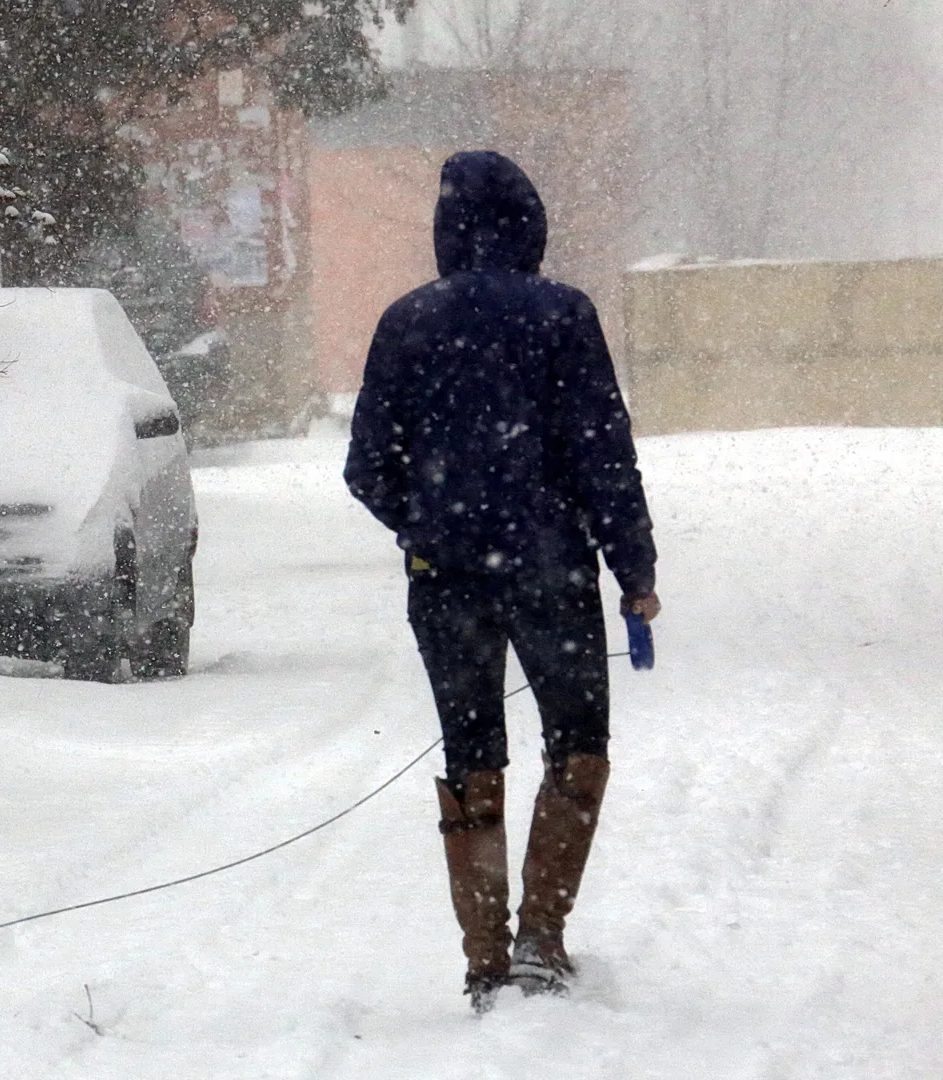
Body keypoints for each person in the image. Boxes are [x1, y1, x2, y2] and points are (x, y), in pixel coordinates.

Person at [343, 150, 659, 1013]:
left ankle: (485, 961)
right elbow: (603, 454)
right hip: (552, 570)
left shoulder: (407, 321)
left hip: (444, 581)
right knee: (577, 744)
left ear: (446, 229)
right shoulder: (563, 315)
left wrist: (428, 526)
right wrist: (633, 568)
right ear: (532, 225)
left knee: (471, 753)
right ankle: (540, 941)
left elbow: (367, 466)